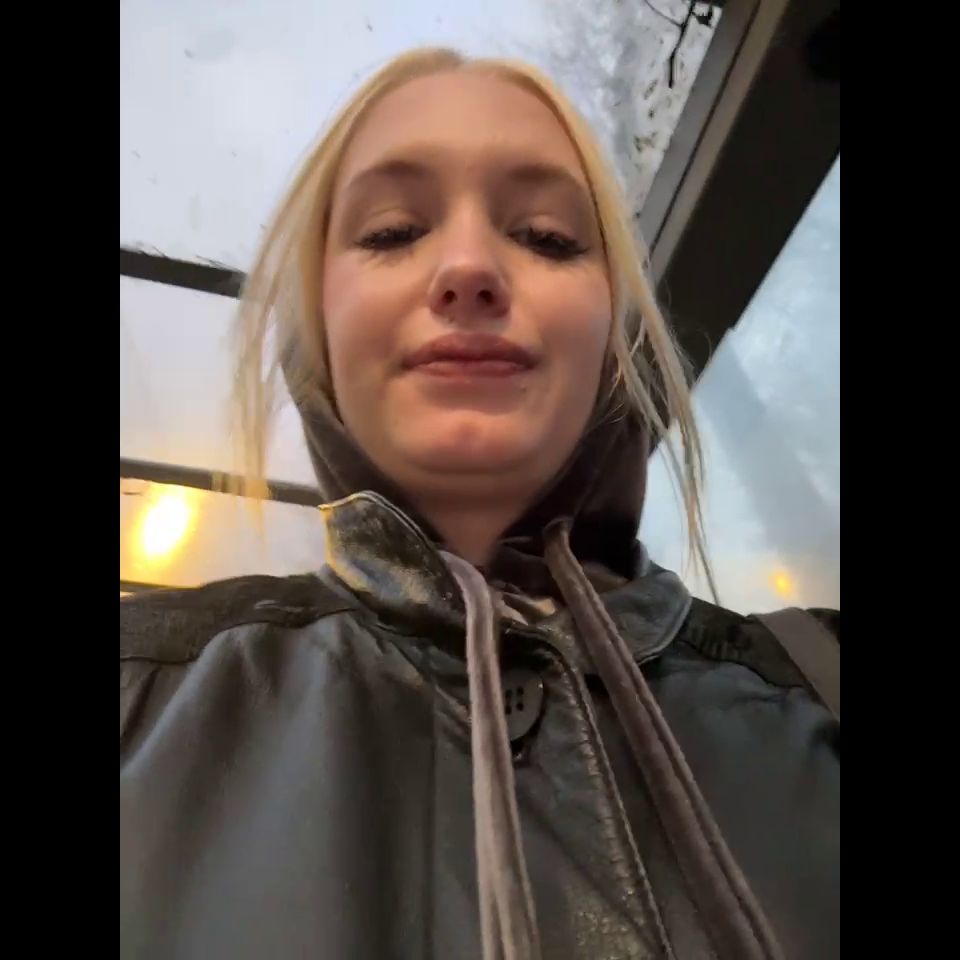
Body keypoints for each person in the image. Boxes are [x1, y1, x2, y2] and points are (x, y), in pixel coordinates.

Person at [120, 47, 839, 960]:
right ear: (318, 321)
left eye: (547, 236)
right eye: (391, 231)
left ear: (614, 333)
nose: (467, 267)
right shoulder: (138, 691)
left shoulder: (818, 684)